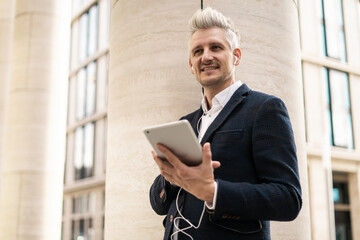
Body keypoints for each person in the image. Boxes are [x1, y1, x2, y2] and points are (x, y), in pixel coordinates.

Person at [149, 7, 302, 240]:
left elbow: (289, 198)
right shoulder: (185, 124)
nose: (206, 56)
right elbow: (159, 205)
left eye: (216, 47)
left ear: (236, 56)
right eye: (198, 51)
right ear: (191, 65)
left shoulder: (265, 109)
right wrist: (170, 177)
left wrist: (213, 193)